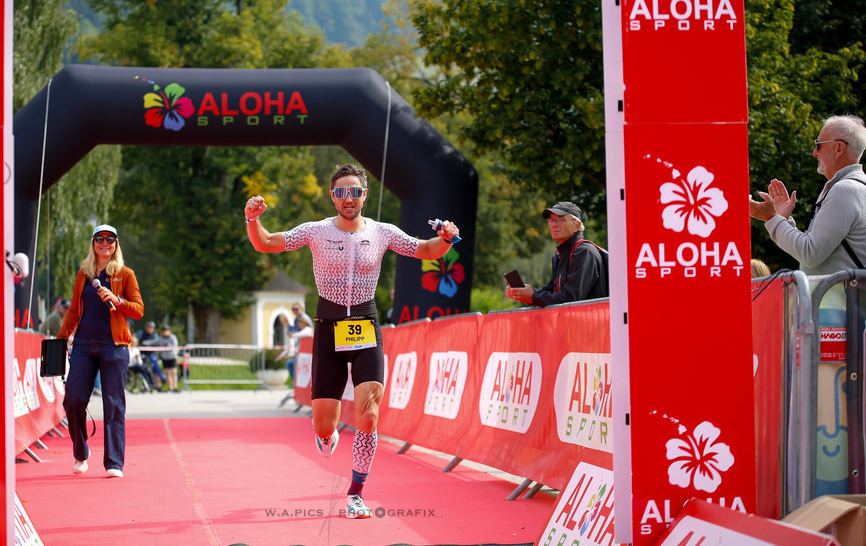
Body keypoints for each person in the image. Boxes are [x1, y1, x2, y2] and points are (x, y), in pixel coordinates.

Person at [244, 163, 460, 519]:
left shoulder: (382, 232)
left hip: (365, 326)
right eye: (342, 192)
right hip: (328, 329)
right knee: (324, 424)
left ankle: (356, 493)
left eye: (355, 192)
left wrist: (448, 238)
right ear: (333, 196)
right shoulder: (315, 231)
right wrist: (253, 220)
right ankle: (325, 434)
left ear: (364, 195)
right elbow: (265, 243)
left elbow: (425, 249)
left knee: (369, 415)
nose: (349, 199)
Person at [56, 224, 144, 478]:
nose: (105, 243)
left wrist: (118, 300)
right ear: (93, 243)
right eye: (99, 239)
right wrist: (61, 340)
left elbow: (138, 309)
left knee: (113, 404)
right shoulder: (83, 274)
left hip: (113, 346)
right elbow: (74, 310)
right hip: (83, 345)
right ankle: (80, 452)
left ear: (116, 245)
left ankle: (114, 462)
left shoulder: (125, 274)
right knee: (73, 399)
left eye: (110, 239)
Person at [750, 115, 866, 275]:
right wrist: (782, 221)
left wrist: (772, 218)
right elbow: (811, 249)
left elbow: (810, 253)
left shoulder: (845, 189)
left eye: (818, 145)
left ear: (839, 148)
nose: (814, 153)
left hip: (841, 292)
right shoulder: (857, 187)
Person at [505, 201, 607, 307]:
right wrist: (524, 292)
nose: (554, 224)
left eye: (561, 219)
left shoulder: (584, 251)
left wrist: (533, 296)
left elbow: (572, 298)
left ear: (577, 225)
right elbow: (551, 291)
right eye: (551, 220)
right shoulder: (559, 255)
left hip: (594, 317)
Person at [135, 320, 165, 389]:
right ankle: (148, 384)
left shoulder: (155, 335)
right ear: (146, 328)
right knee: (147, 369)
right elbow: (134, 336)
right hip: (144, 355)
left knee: (156, 369)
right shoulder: (142, 333)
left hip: (152, 354)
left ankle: (158, 385)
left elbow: (158, 342)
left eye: (152, 328)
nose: (150, 329)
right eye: (149, 327)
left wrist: (147, 343)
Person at [157, 324, 180, 392]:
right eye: (163, 331)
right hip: (165, 357)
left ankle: (175, 387)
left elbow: (175, 345)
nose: (165, 332)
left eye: (166, 330)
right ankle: (170, 387)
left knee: (174, 372)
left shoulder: (172, 337)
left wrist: (168, 345)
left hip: (172, 357)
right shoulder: (161, 338)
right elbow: (158, 344)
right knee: (167, 373)